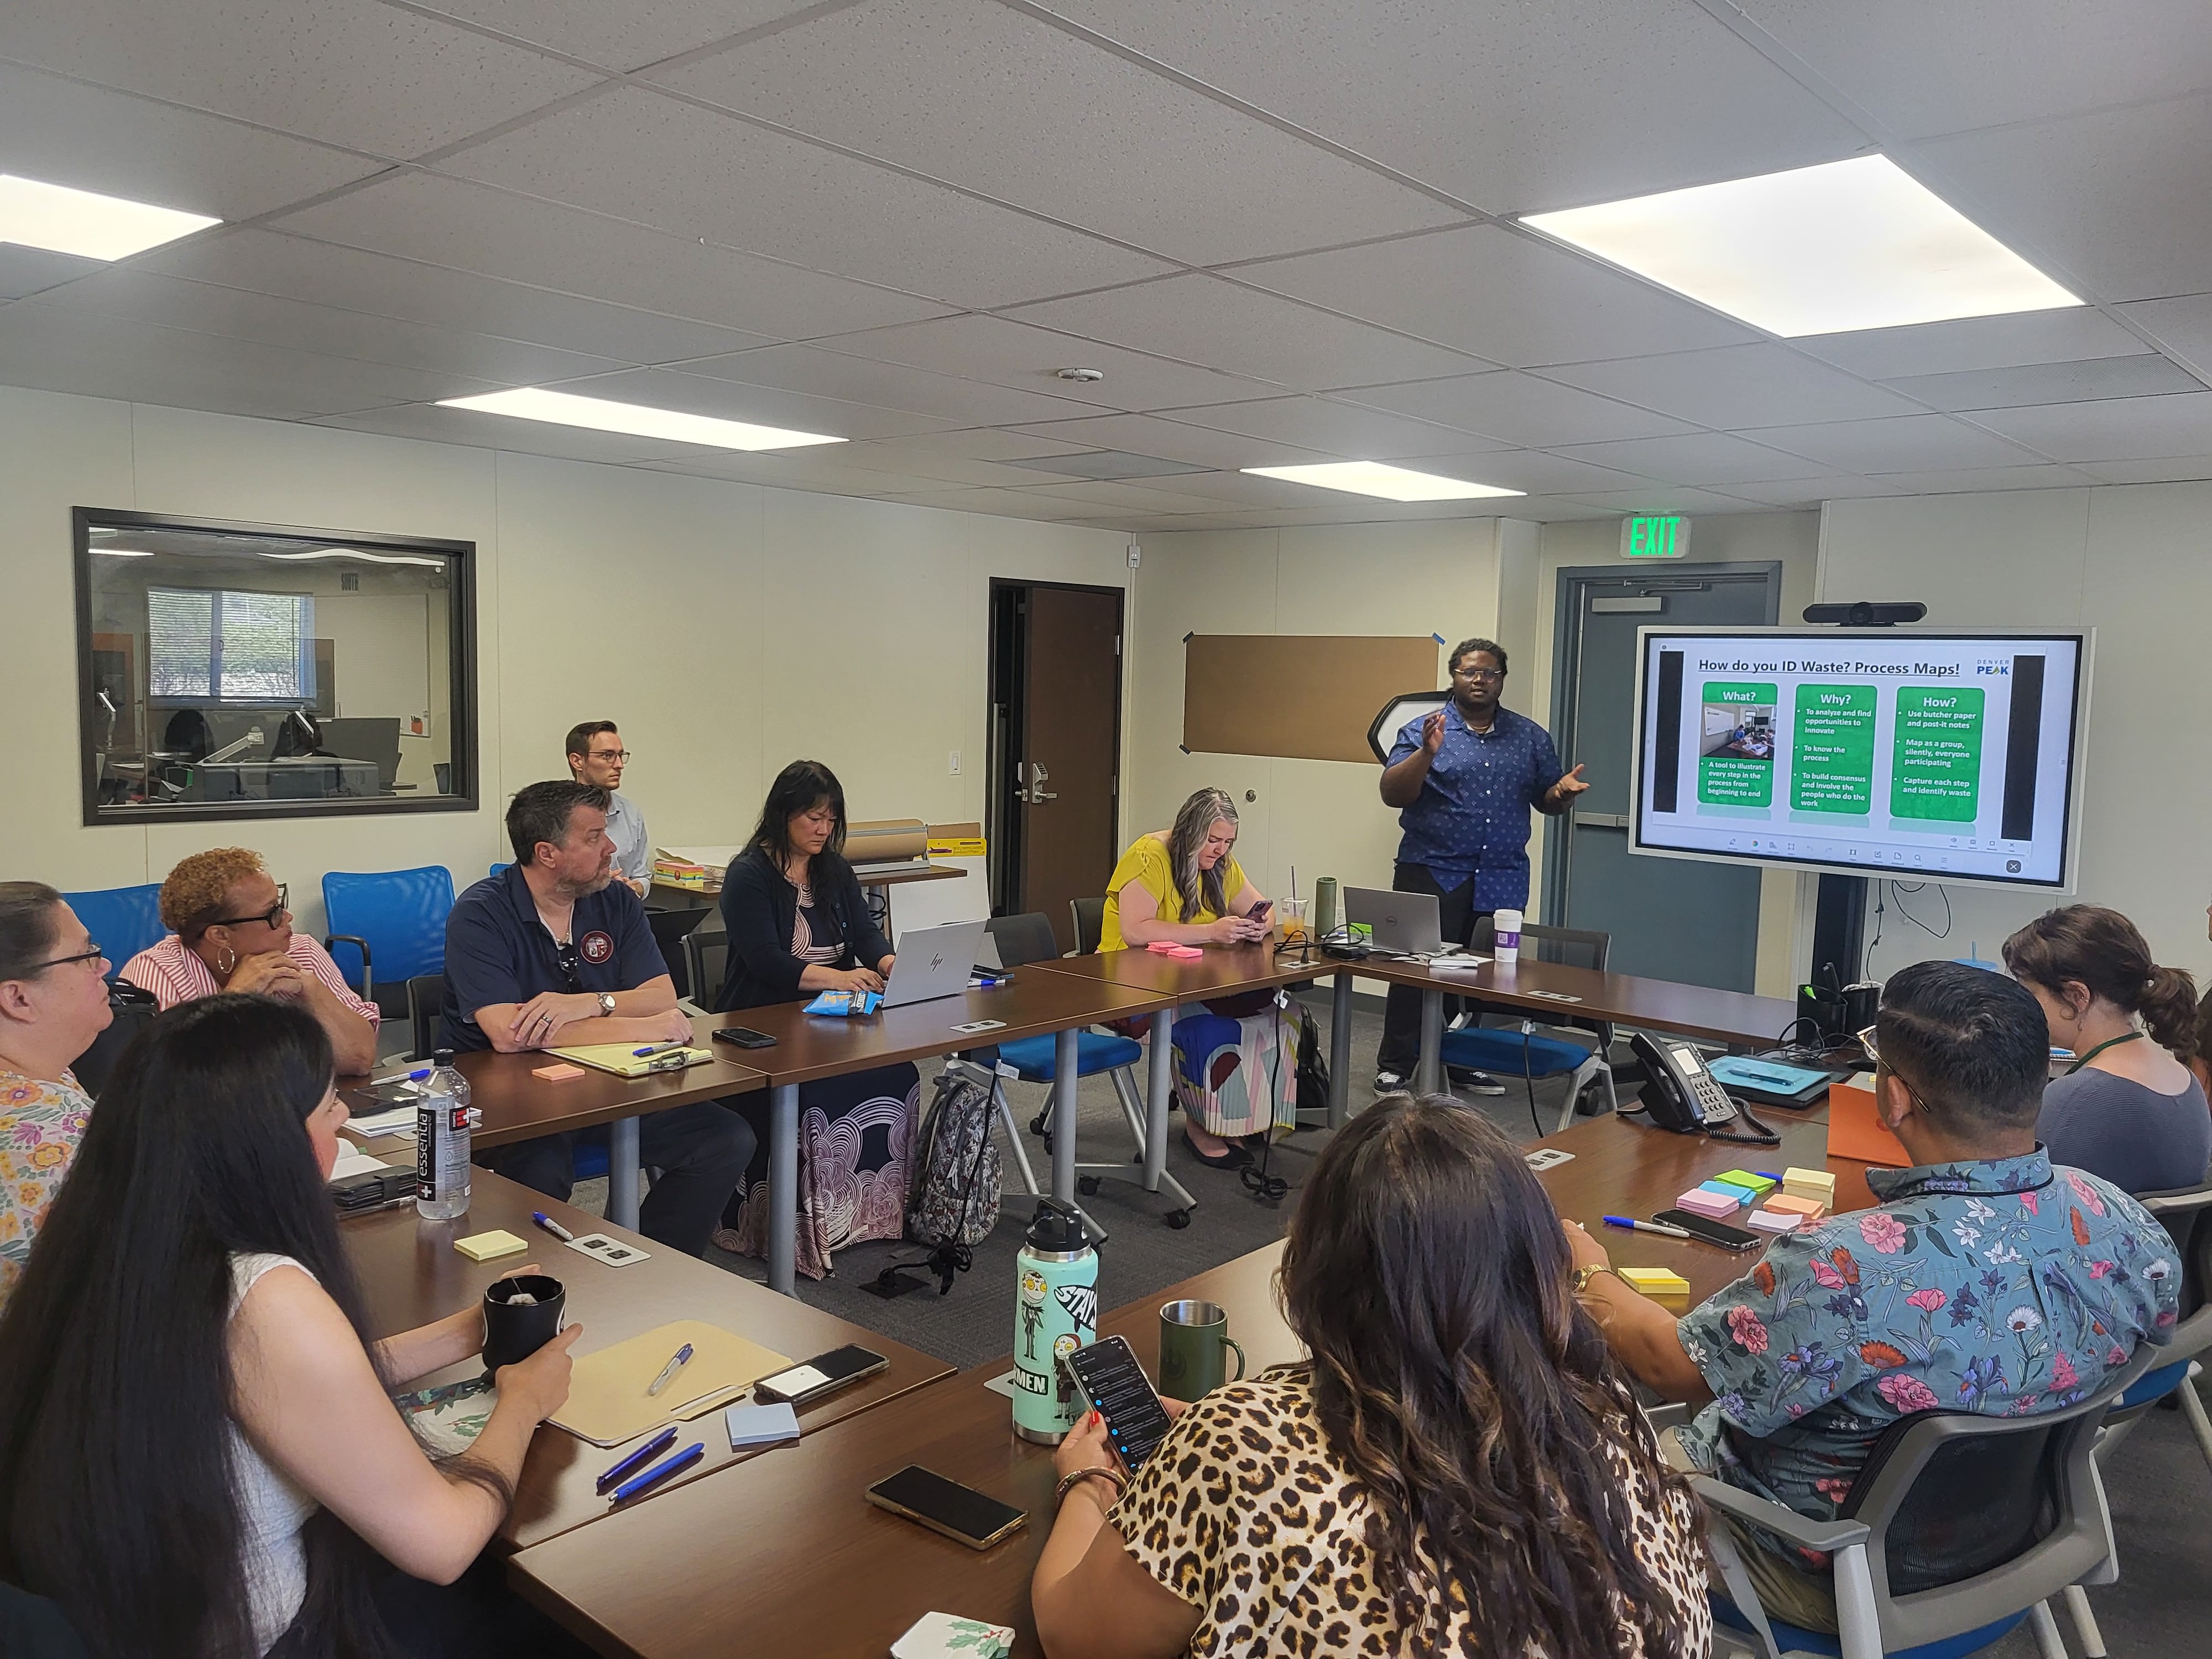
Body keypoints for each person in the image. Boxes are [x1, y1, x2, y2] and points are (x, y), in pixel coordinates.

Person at [1566, 961, 2180, 1633]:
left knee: (1553, 1451)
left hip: (1817, 1567)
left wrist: (1589, 1272)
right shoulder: (2124, 1221)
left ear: (1893, 1098)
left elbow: (1671, 1369)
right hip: (2019, 1544)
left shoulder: (1843, 1265)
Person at [0, 995, 586, 1658]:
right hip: (272, 1636)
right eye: (332, 1111)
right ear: (275, 1141)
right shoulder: (262, 1294)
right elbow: (443, 1543)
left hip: (145, 1611)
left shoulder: (110, 1243)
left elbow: (282, 1389)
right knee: (562, 1601)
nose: (343, 1124)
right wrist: (523, 1402)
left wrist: (463, 1335)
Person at [1032, 1094, 1711, 1659]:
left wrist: (1088, 1483)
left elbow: (1073, 1635)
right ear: (1533, 1263)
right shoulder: (1602, 1409)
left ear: (1312, 1270)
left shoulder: (1242, 1449)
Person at [442, 780, 752, 1257]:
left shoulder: (616, 902)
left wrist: (591, 1004)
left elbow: (660, 993)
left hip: (611, 1084)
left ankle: (647, 1265)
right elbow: (508, 1035)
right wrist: (646, 1027)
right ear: (547, 853)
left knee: (726, 1139)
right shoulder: (480, 914)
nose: (611, 848)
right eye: (593, 838)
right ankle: (537, 1298)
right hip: (519, 1101)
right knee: (540, 1177)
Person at [713, 760, 916, 1276]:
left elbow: (866, 935)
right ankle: (796, 1229)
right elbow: (766, 961)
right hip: (764, 1020)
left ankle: (871, 1216)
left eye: (830, 820)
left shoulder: (834, 869)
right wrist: (840, 977)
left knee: (899, 1072)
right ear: (783, 815)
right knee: (814, 1092)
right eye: (813, 819)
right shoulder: (748, 876)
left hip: (832, 1016)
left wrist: (888, 961)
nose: (823, 830)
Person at [1375, 637, 1588, 1094]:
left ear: (1501, 680)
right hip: (1432, 870)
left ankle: (1462, 1057)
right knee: (1415, 970)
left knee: (1482, 975)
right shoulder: (1423, 729)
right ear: (1454, 676)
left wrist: (1562, 794)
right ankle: (1397, 1061)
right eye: (1469, 672)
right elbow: (1394, 793)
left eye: (1489, 672)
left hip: (1501, 876)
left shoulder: (1529, 736)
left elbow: (1546, 798)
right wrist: (1427, 754)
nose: (1479, 680)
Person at [1099, 789, 1278, 1167]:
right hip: (1129, 988)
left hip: (1191, 977)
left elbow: (1265, 911)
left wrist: (1257, 926)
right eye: (1213, 840)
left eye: (1228, 842)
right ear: (1189, 832)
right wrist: (1213, 932)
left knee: (1269, 1008)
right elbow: (1135, 931)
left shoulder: (1222, 865)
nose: (1220, 850)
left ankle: (1239, 1116)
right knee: (1202, 1023)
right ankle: (1202, 1125)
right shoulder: (1149, 856)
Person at [2003, 905, 2211, 1193]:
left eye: (2030, 993)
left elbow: (2013, 1199)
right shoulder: (2185, 1082)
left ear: (2078, 996)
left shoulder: (2075, 1098)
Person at [119, 847, 379, 1075]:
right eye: (272, 913)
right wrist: (232, 1001)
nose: (288, 917)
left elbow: (360, 1060)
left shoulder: (302, 951)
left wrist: (312, 990)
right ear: (220, 935)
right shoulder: (158, 972)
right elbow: (164, 1085)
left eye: (281, 904)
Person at [0, 885, 109, 1311]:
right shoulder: (56, 1135)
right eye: (85, 956)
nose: (104, 966)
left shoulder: (46, 1078)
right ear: (18, 998)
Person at [566, 720, 650, 896]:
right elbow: (531, 878)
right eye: (607, 755)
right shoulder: (551, 812)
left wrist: (635, 889)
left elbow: (642, 875)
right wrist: (595, 885)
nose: (619, 765)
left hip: (619, 913)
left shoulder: (631, 813)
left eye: (621, 755)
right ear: (577, 761)